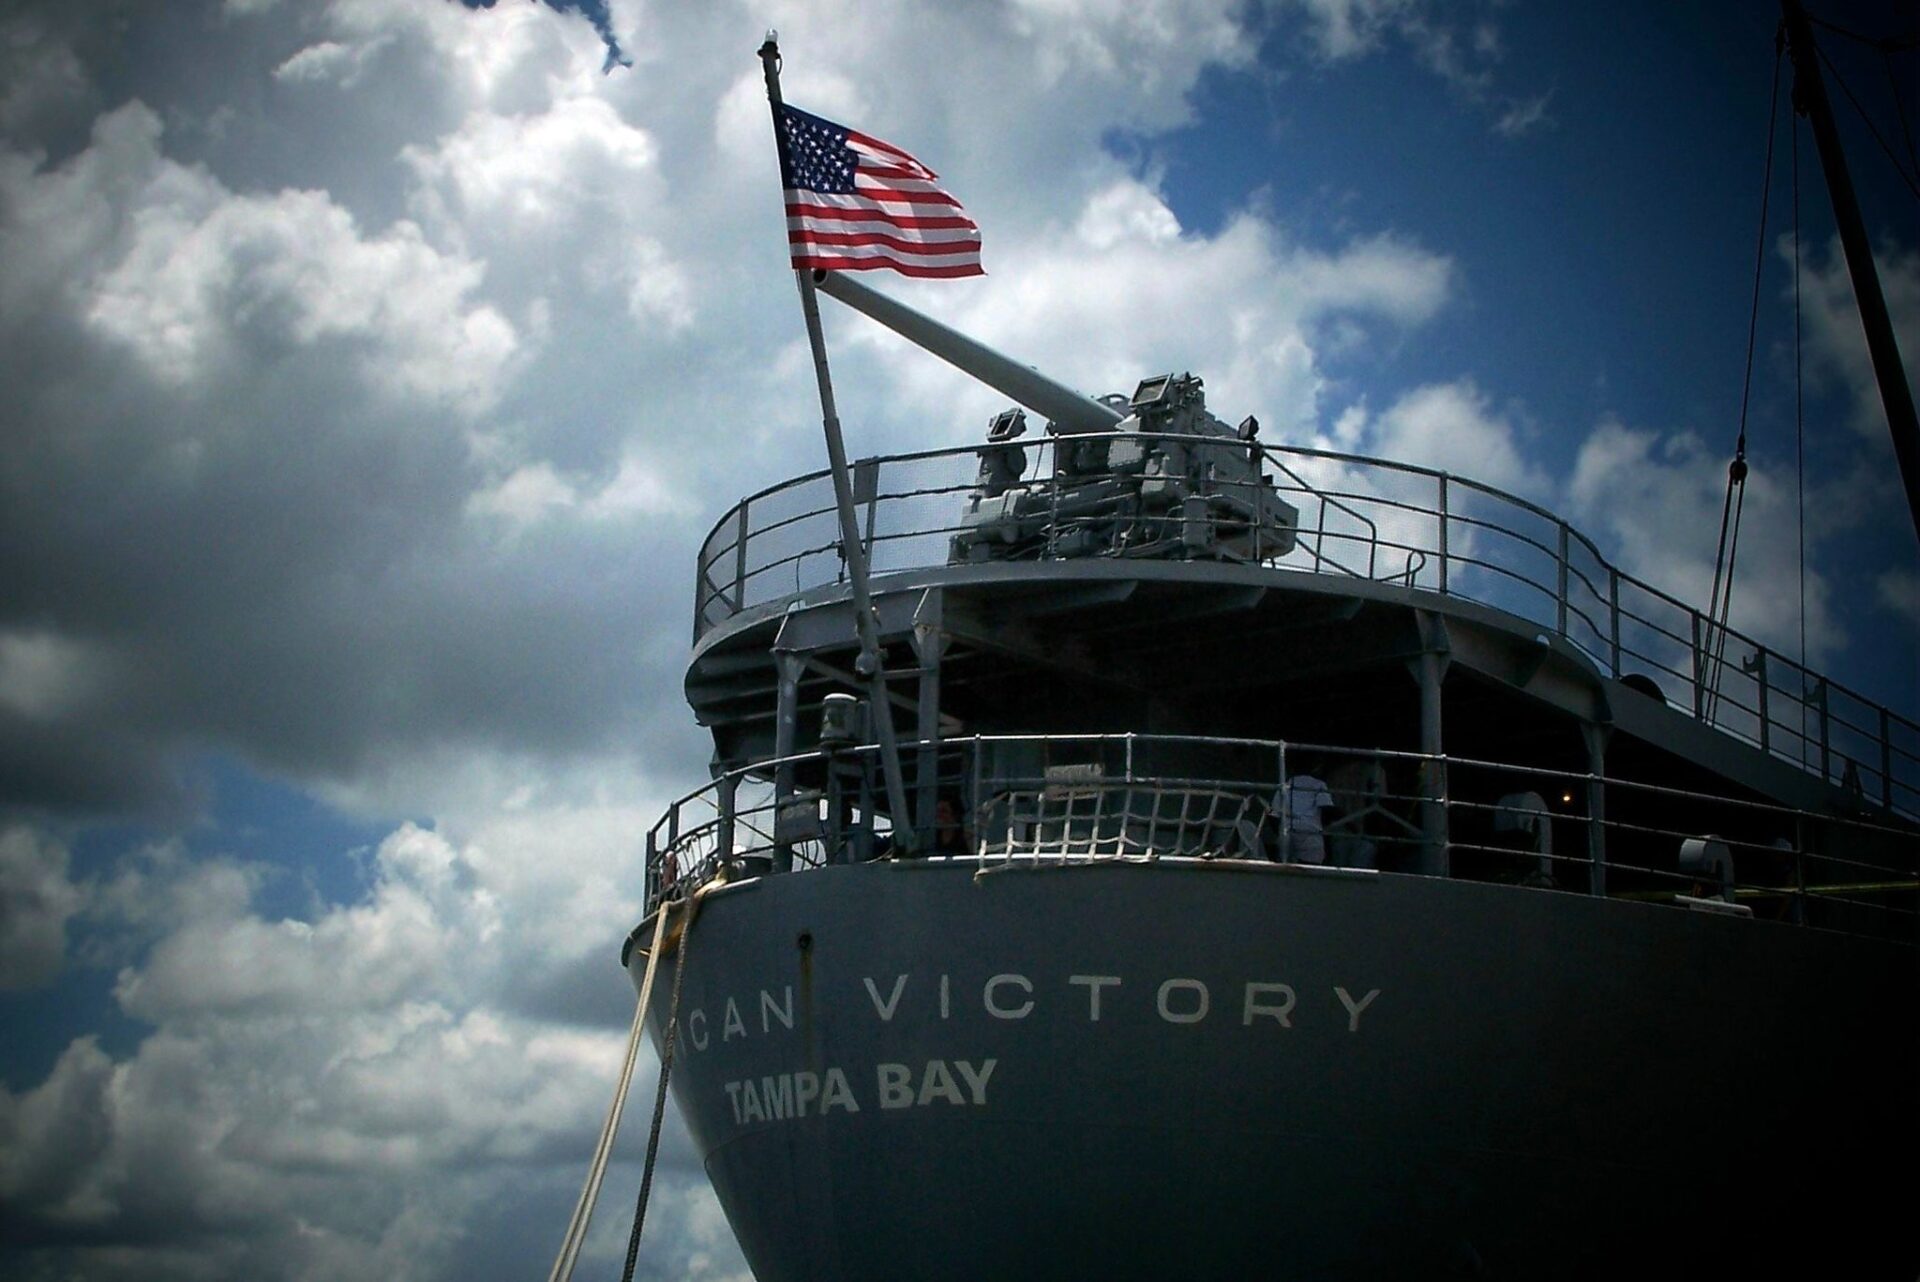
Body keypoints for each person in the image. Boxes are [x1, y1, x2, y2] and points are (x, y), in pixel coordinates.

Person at [1284, 767, 1336, 864]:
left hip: (1287, 831)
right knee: (1311, 870)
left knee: (1284, 869)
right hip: (1311, 834)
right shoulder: (1319, 784)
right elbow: (1326, 810)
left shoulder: (1285, 785)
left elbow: (1273, 814)